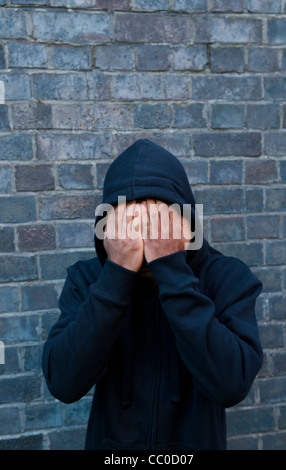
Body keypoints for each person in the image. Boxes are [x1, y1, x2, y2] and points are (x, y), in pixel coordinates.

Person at [42, 139, 263, 450]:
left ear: (184, 222)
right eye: (131, 226)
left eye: (158, 225)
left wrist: (173, 272)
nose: (145, 240)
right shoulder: (88, 279)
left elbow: (231, 385)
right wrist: (116, 276)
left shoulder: (228, 278)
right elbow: (63, 384)